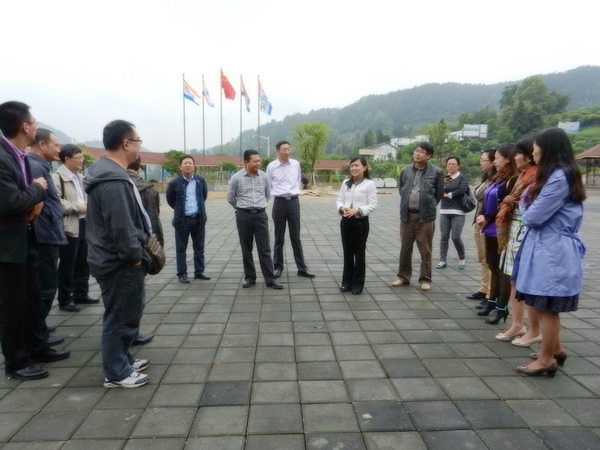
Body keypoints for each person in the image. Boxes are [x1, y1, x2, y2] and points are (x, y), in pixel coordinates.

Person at [0, 101, 70, 381]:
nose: (35, 126)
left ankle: (37, 347)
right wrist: (37, 190)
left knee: (31, 298)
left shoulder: (18, 155)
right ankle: (16, 362)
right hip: (8, 247)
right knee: (12, 306)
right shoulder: (3, 158)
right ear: (24, 127)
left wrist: (35, 200)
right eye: (34, 122)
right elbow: (11, 202)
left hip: (26, 236)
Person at [84, 120, 151, 388]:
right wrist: (135, 257)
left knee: (124, 312)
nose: (139, 147)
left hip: (110, 258)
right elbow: (121, 228)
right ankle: (116, 373)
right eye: (138, 141)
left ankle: (122, 359)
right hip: (119, 262)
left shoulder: (106, 172)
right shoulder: (113, 180)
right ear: (126, 143)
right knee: (120, 317)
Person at [514, 128, 586, 377]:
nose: (533, 151)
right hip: (548, 247)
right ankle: (555, 349)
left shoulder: (558, 178)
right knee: (542, 302)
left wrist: (524, 205)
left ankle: (546, 359)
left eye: (536, 147)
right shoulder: (561, 175)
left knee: (547, 306)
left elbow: (532, 217)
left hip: (552, 250)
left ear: (548, 149)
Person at [492, 138, 541, 337]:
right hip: (514, 229)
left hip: (524, 230)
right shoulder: (522, 176)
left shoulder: (537, 177)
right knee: (513, 279)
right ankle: (518, 323)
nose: (515, 158)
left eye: (518, 154)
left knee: (522, 281)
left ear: (529, 157)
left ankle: (533, 329)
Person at [27, 130, 69, 346]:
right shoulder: (35, 167)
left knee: (44, 286)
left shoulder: (40, 166)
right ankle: (35, 338)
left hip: (48, 233)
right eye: (55, 144)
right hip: (43, 235)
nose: (58, 149)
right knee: (45, 287)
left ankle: (37, 328)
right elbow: (33, 202)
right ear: (42, 145)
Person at [53, 144, 100, 312]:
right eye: (78, 157)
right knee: (67, 264)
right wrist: (78, 207)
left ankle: (81, 293)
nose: (82, 160)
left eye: (82, 157)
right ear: (67, 159)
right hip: (69, 226)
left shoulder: (81, 177)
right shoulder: (57, 178)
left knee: (83, 262)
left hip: (85, 224)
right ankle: (65, 299)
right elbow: (56, 203)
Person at [392, 142, 444, 291]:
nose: (417, 154)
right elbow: (402, 190)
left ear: (429, 156)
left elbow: (439, 193)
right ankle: (403, 277)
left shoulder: (437, 172)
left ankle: (425, 279)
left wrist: (427, 205)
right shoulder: (405, 170)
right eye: (416, 151)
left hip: (425, 218)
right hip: (407, 216)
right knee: (405, 249)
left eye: (421, 152)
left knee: (425, 250)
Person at [227, 150, 282, 290]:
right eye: (255, 161)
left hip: (260, 215)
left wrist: (258, 206)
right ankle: (250, 277)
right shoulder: (236, 178)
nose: (258, 163)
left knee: (265, 249)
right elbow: (230, 197)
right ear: (246, 162)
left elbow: (267, 195)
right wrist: (240, 208)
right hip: (243, 216)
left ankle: (270, 279)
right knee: (246, 248)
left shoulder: (264, 177)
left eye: (259, 161)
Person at [476, 144, 517, 318]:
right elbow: (486, 199)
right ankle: (491, 301)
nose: (495, 162)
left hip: (501, 229)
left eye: (498, 158)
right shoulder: (497, 178)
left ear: (507, 159)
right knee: (492, 265)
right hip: (489, 229)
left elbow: (504, 205)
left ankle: (501, 307)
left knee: (502, 269)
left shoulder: (513, 180)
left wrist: (487, 216)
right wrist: (482, 214)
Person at [266, 140, 314, 279]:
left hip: (293, 202)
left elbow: (298, 181)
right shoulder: (272, 166)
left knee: (296, 237)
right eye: (284, 149)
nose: (287, 152)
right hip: (279, 203)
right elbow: (268, 185)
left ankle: (302, 268)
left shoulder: (295, 164)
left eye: (289, 149)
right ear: (277, 151)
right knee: (279, 237)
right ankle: (277, 267)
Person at [126, 156, 160, 346]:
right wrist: (157, 244)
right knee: (136, 294)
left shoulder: (103, 183)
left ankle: (128, 334)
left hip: (109, 249)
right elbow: (153, 219)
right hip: (137, 246)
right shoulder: (146, 188)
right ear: (139, 170)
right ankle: (130, 335)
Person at [336, 157, 377, 295]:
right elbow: (340, 199)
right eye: (352, 165)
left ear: (365, 167)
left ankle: (358, 284)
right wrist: (342, 207)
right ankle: (346, 282)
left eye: (357, 165)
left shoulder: (369, 184)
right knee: (347, 253)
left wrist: (358, 210)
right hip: (346, 221)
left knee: (359, 253)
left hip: (360, 222)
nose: (354, 168)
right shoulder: (346, 183)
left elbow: (373, 204)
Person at [166, 155, 209, 284]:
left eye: (190, 163)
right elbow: (170, 200)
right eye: (185, 163)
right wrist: (179, 211)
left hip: (198, 219)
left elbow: (203, 196)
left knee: (199, 248)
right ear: (180, 167)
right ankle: (182, 273)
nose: (188, 165)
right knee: (181, 249)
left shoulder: (200, 181)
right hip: (182, 221)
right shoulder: (174, 183)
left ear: (194, 166)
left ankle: (199, 271)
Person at [468, 149, 495, 302]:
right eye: (481, 160)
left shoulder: (498, 180)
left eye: (484, 160)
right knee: (482, 258)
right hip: (478, 222)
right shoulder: (486, 179)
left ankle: (491, 292)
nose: (481, 162)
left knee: (489, 259)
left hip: (488, 223)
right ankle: (483, 288)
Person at [436, 156, 469, 270]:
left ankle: (462, 258)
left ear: (458, 166)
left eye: (454, 164)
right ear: (446, 166)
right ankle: (442, 260)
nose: (451, 166)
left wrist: (448, 195)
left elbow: (462, 190)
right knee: (444, 237)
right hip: (444, 210)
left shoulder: (462, 177)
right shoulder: (443, 178)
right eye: (449, 164)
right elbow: (436, 189)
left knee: (455, 237)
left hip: (458, 211)